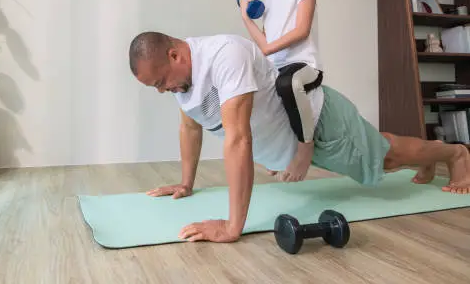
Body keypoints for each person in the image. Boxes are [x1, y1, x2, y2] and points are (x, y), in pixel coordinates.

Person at [128, 31, 470, 243]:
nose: (163, 91)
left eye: (160, 82)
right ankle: (434, 155)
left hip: (319, 121)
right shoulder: (181, 81)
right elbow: (190, 125)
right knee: (382, 150)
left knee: (386, 158)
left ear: (175, 55)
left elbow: (238, 139)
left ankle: (454, 154)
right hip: (295, 140)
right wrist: (186, 183)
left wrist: (233, 227)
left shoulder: (223, 56)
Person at [230, 0, 323, 183]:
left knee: (288, 83)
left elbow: (301, 30)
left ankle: (305, 148)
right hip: (276, 67)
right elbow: (264, 48)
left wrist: (269, 47)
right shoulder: (268, 5)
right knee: (252, 94)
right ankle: (278, 154)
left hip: (302, 66)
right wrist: (247, 17)